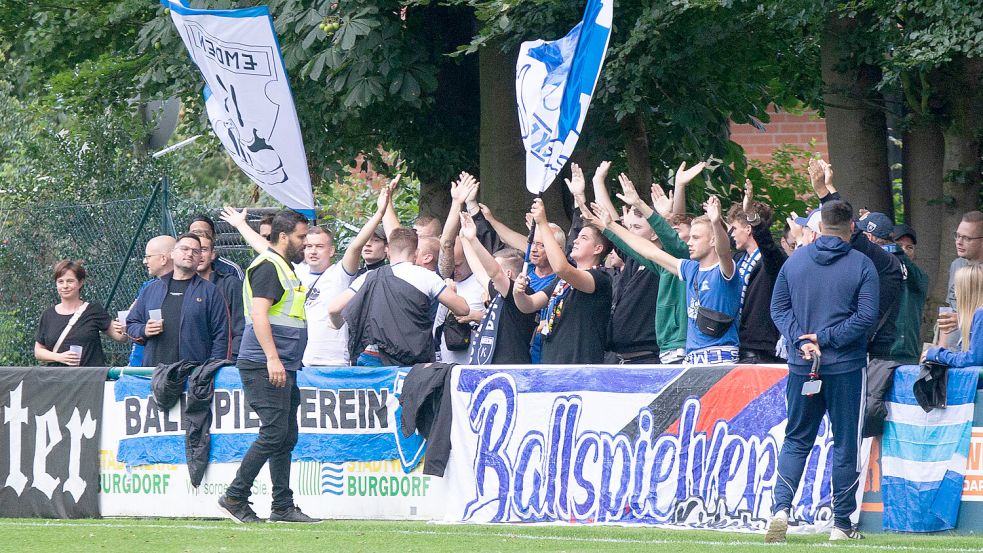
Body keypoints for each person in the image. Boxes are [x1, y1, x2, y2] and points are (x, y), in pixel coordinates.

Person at [767, 200, 879, 543]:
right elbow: (865, 318)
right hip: (846, 367)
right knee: (846, 443)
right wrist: (826, 338)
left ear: (818, 227)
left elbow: (778, 309)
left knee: (797, 438)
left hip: (804, 365)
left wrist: (802, 340)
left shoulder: (795, 261)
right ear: (851, 228)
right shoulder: (863, 265)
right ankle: (841, 524)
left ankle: (781, 509)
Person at [219, 209, 318, 524]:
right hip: (266, 363)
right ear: (285, 236)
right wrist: (273, 358)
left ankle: (282, 506)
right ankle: (235, 496)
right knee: (275, 433)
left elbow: (265, 249)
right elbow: (260, 314)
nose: (306, 243)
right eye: (302, 237)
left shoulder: (278, 263)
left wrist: (240, 226)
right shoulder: (270, 267)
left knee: (285, 435)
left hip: (281, 364)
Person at [592, 192, 741, 365]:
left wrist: (715, 222)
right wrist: (611, 225)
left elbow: (723, 251)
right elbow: (650, 251)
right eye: (690, 237)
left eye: (696, 237)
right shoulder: (690, 268)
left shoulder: (725, 269)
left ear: (713, 240)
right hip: (692, 359)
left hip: (721, 359)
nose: (689, 242)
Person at [329, 228, 471, 367]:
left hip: (371, 358)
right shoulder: (427, 277)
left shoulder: (368, 277)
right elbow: (463, 309)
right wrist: (452, 291)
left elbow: (334, 309)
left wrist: (337, 324)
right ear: (416, 253)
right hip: (411, 360)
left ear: (388, 250)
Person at [514, 198, 614, 365]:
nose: (575, 240)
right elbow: (528, 305)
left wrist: (543, 223)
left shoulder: (600, 279)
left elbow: (561, 268)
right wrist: (518, 293)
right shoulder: (562, 281)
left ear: (598, 249)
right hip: (552, 364)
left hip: (580, 366)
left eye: (583, 238)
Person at [589, 161, 660, 364]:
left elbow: (673, 236)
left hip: (647, 359)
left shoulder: (663, 262)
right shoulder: (631, 259)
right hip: (621, 359)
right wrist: (598, 181)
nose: (630, 233)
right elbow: (612, 225)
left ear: (655, 232)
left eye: (637, 227)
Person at [127, 233, 231, 366]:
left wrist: (211, 370)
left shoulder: (211, 292)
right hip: (154, 375)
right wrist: (144, 330)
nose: (189, 254)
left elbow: (222, 337)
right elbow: (131, 324)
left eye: (195, 251)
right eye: (184, 249)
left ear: (199, 258)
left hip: (194, 377)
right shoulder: (151, 290)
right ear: (172, 254)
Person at [459, 213, 537, 364]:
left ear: (507, 274)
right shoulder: (499, 292)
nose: (491, 274)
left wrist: (473, 240)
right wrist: (464, 238)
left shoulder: (521, 293)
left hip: (511, 369)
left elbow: (494, 272)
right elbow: (479, 271)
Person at [727, 180, 787, 363]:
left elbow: (768, 246)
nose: (732, 234)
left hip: (762, 351)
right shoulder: (739, 259)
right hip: (739, 346)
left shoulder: (773, 259)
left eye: (735, 228)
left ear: (748, 228)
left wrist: (752, 215)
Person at [435, 172, 487, 363]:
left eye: (458, 265)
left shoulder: (484, 279)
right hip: (446, 360)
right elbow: (446, 243)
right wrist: (456, 203)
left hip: (478, 360)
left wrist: (473, 316)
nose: (454, 270)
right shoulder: (445, 278)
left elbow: (503, 318)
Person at [35, 260, 127, 366]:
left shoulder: (93, 310)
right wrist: (60, 357)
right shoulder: (48, 315)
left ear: (80, 283)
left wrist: (123, 327)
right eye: (60, 281)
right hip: (57, 379)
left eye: (70, 281)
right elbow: (38, 351)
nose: (65, 286)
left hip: (89, 378)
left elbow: (120, 337)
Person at [193, 230, 244, 361]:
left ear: (213, 254)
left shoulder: (230, 284)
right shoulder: (180, 286)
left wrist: (231, 360)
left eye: (203, 249)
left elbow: (241, 328)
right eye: (194, 250)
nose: (199, 255)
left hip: (223, 363)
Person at [128, 235, 176, 366]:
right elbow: (131, 323)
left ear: (163, 259)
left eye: (148, 256)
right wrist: (144, 330)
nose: (144, 261)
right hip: (142, 363)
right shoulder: (148, 288)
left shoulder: (194, 288)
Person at [939, 211, 983, 347]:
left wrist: (963, 320)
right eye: (957, 236)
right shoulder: (957, 265)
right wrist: (940, 351)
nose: (959, 242)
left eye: (966, 238)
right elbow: (950, 311)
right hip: (956, 351)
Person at [925, 264, 983, 367]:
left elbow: (973, 360)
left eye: (957, 287)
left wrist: (937, 355)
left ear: (967, 291)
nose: (955, 294)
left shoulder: (980, 314)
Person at [889, 223, 928, 363]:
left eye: (909, 248)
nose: (904, 251)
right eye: (899, 246)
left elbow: (917, 280)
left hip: (908, 354)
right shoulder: (878, 276)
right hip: (884, 353)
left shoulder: (919, 277)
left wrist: (898, 252)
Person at [189, 214, 244, 279]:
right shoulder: (180, 268)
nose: (200, 236)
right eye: (195, 233)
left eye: (205, 233)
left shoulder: (231, 270)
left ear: (214, 236)